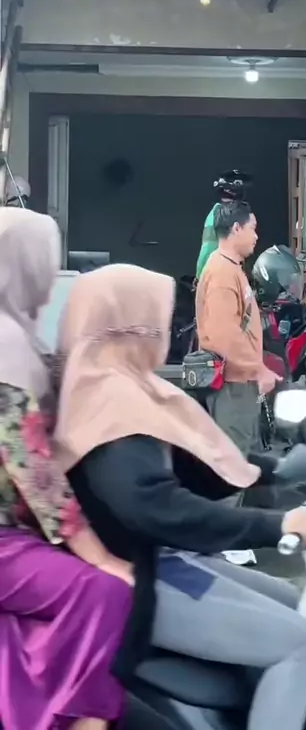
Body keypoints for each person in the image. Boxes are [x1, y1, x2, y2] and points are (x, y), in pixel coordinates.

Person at [54, 264, 306, 730]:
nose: (167, 331)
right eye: (156, 319)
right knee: (299, 643)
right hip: (140, 575)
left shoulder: (115, 381)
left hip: (156, 557)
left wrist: (274, 471)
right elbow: (154, 506)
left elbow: (192, 460)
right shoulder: (110, 398)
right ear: (130, 324)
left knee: (288, 597)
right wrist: (276, 525)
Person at [0, 207, 133, 730]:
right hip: (5, 539)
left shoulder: (22, 337)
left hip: (18, 531)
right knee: (107, 590)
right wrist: (100, 557)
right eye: (43, 262)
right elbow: (33, 466)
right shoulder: (5, 345)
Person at [196, 201, 281, 456]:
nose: (256, 236)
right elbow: (225, 334)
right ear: (236, 228)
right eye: (252, 228)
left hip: (240, 382)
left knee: (243, 455)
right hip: (231, 386)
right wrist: (259, 369)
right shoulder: (222, 273)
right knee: (234, 460)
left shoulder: (231, 267)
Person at [195, 170, 252, 281]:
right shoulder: (219, 215)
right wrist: (200, 277)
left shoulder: (223, 213)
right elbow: (207, 249)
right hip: (217, 276)